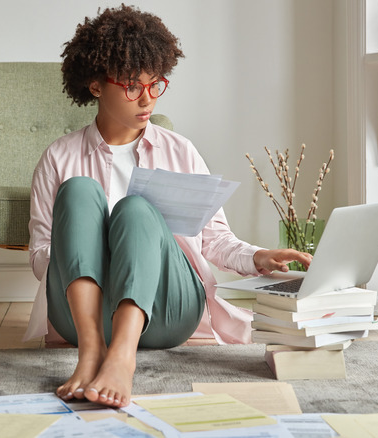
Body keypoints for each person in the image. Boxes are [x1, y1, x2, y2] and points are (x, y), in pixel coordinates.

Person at [26, 5, 312, 409]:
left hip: (166, 308)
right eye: (131, 86)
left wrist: (259, 256)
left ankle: (122, 358)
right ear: (94, 85)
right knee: (77, 190)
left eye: (155, 84)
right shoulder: (58, 157)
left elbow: (213, 239)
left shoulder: (179, 150)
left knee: (137, 209)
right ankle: (90, 353)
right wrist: (90, 250)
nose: (147, 100)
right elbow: (41, 257)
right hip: (82, 314)